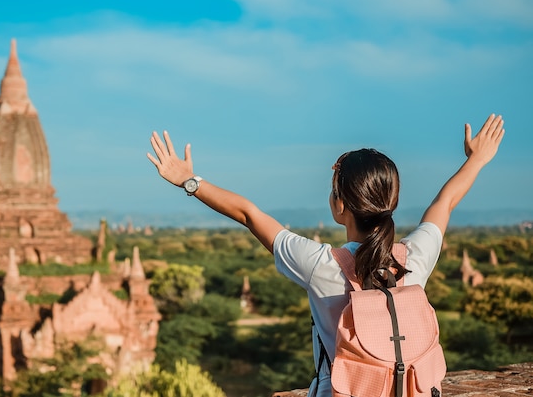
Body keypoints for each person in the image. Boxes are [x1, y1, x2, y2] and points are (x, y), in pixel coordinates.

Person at [147, 113, 505, 397]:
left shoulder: (320, 265)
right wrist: (477, 159)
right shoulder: (414, 257)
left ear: (339, 206)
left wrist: (188, 181)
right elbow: (445, 202)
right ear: (391, 202)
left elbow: (249, 214)